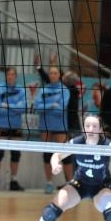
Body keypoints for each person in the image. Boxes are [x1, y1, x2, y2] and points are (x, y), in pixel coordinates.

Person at [38, 113, 111, 221]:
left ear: (100, 129)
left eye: (94, 126)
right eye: (88, 126)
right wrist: (55, 164)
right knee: (50, 213)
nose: (91, 129)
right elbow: (57, 155)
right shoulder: (77, 142)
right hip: (79, 185)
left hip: (101, 187)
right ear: (83, 128)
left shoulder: (107, 145)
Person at [34, 58, 71, 194]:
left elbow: (62, 107)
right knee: (47, 154)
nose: (53, 75)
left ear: (59, 75)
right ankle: (49, 183)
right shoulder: (43, 90)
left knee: (65, 154)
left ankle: (70, 183)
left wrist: (49, 107)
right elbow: (37, 107)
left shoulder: (64, 90)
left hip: (60, 125)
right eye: (51, 73)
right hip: (46, 125)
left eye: (55, 73)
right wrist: (52, 105)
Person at [0, 67, 27, 191]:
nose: (10, 76)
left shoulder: (21, 89)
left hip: (16, 125)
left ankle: (13, 181)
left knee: (16, 154)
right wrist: (15, 108)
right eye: (8, 74)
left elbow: (23, 108)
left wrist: (8, 106)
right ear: (5, 76)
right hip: (2, 124)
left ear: (16, 76)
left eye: (12, 74)